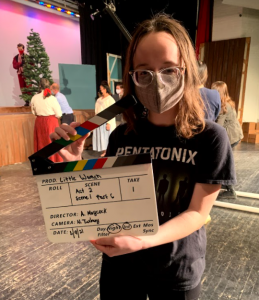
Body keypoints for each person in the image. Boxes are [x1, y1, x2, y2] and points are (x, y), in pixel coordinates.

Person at [50, 14, 236, 300]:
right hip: (120, 267)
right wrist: (71, 166)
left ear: (186, 70)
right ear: (132, 77)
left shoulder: (210, 138)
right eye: (144, 72)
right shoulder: (121, 136)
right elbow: (102, 204)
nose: (157, 81)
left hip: (176, 269)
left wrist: (141, 241)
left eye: (169, 69)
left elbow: (199, 212)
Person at [211, 81, 243, 199]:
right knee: (223, 159)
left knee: (223, 160)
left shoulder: (223, 105)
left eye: (214, 91)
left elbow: (218, 126)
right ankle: (226, 186)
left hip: (231, 135)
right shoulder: (228, 102)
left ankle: (230, 190)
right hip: (235, 134)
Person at [31, 78, 63, 163]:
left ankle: (42, 162)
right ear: (48, 86)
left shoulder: (34, 97)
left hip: (39, 121)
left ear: (40, 85)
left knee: (41, 142)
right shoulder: (52, 98)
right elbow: (59, 113)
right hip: (51, 121)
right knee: (52, 142)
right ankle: (54, 161)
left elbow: (33, 112)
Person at [93, 83, 116, 157]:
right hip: (99, 120)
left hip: (107, 121)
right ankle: (104, 150)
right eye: (100, 89)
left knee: (106, 136)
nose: (100, 90)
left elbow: (112, 112)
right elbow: (96, 110)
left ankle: (107, 151)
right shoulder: (99, 99)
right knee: (101, 136)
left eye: (101, 89)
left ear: (105, 89)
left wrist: (109, 123)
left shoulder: (110, 99)